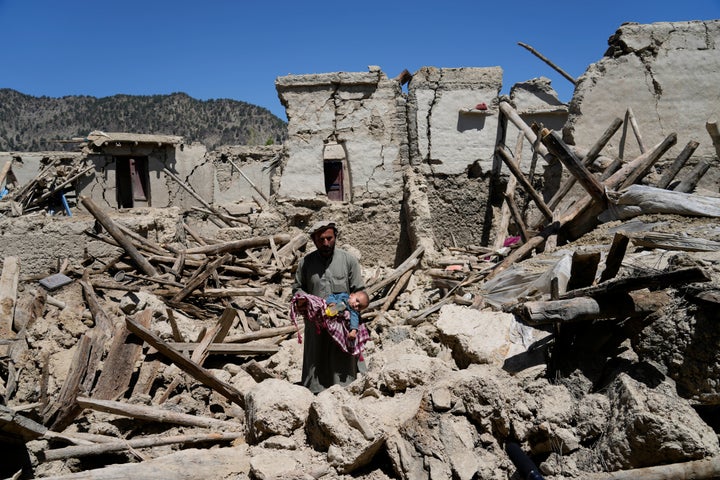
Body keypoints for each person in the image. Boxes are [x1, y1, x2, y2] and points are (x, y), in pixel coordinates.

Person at [292, 220, 366, 393]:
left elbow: (359, 290)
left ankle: (344, 391)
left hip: (342, 325)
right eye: (321, 240)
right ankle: (315, 392)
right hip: (316, 325)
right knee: (316, 360)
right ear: (314, 241)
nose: (326, 243)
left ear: (335, 237)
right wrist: (302, 300)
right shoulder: (306, 263)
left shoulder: (349, 260)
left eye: (329, 238)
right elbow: (297, 288)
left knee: (342, 368)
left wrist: (358, 302)